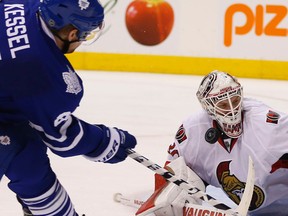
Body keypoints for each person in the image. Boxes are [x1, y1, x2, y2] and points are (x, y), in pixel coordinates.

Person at [0, 0, 137, 215]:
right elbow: (62, 138)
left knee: (26, 155)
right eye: (85, 34)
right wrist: (104, 141)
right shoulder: (46, 74)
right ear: (72, 34)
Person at [137, 70, 288, 216]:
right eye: (223, 105)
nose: (232, 110)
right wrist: (167, 197)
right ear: (208, 107)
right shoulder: (192, 132)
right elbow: (170, 173)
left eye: (235, 101)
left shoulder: (267, 124)